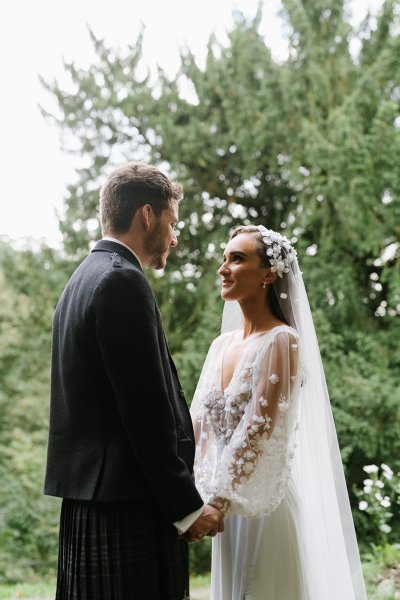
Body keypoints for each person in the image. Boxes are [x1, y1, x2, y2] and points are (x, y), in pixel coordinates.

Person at [44, 161, 224, 600]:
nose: (175, 236)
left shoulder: (82, 279)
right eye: (173, 222)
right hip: (127, 506)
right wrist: (186, 507)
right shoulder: (122, 281)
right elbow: (144, 412)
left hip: (93, 502)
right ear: (147, 215)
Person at [190, 225, 367, 599]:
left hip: (262, 509)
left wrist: (219, 501)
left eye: (237, 259)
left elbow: (258, 427)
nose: (223, 268)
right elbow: (198, 427)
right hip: (223, 511)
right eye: (224, 258)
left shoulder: (282, 340)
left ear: (269, 274)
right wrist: (195, 500)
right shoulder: (220, 346)